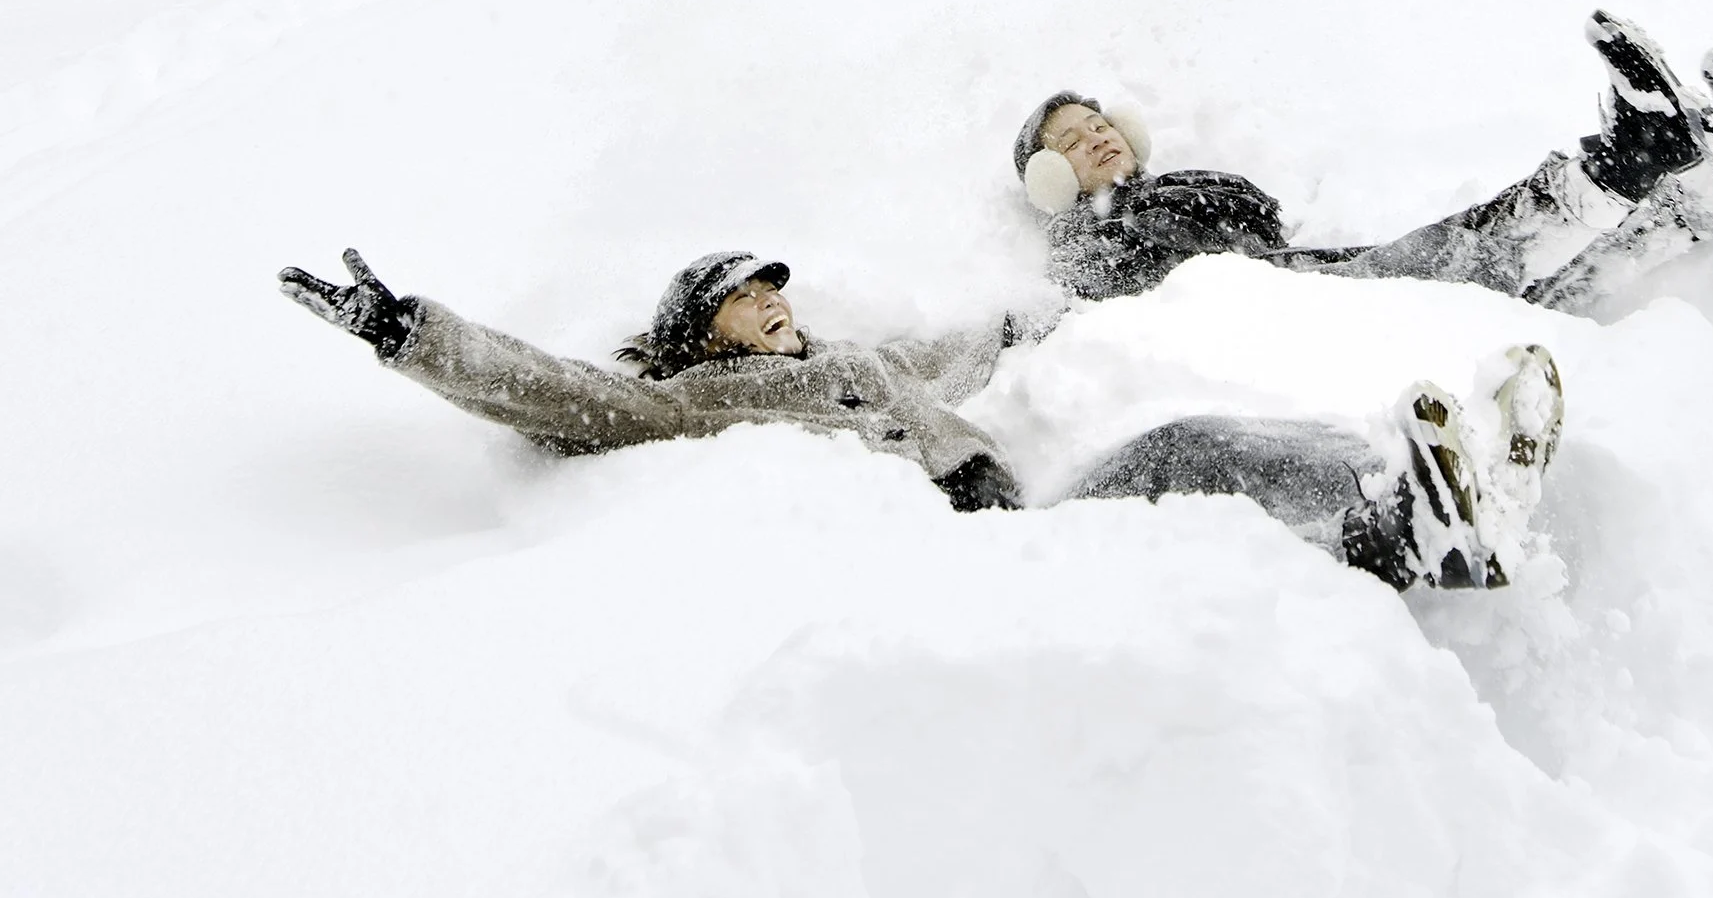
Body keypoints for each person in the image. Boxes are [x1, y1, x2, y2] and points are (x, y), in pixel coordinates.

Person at [276, 246, 1565, 594]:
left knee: (1185, 442)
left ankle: (1407, 498)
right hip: (941, 558)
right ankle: (1398, 525)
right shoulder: (673, 405)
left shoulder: (861, 363)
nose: (774, 306)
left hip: (999, 514)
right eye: (743, 296)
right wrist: (412, 334)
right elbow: (558, 394)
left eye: (779, 290)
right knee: (1178, 465)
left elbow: (958, 345)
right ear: (694, 325)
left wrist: (1032, 310)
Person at [1013, 10, 1713, 310]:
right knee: (1470, 255)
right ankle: (1629, 162)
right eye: (1071, 144)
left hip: (1302, 290)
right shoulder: (1083, 246)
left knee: (1530, 288)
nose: (1096, 138)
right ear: (1053, 181)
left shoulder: (1182, 188)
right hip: (1285, 317)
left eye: (1097, 121)